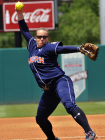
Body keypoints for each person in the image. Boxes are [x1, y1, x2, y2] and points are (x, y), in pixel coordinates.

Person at [16, 8, 97, 140]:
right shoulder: (32, 46)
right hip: (48, 90)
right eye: (39, 36)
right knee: (40, 118)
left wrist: (79, 49)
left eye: (44, 36)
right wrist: (19, 12)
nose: (42, 38)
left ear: (48, 38)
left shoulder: (49, 47)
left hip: (60, 81)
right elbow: (24, 29)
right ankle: (52, 138)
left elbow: (62, 49)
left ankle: (89, 132)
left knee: (69, 105)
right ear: (35, 38)